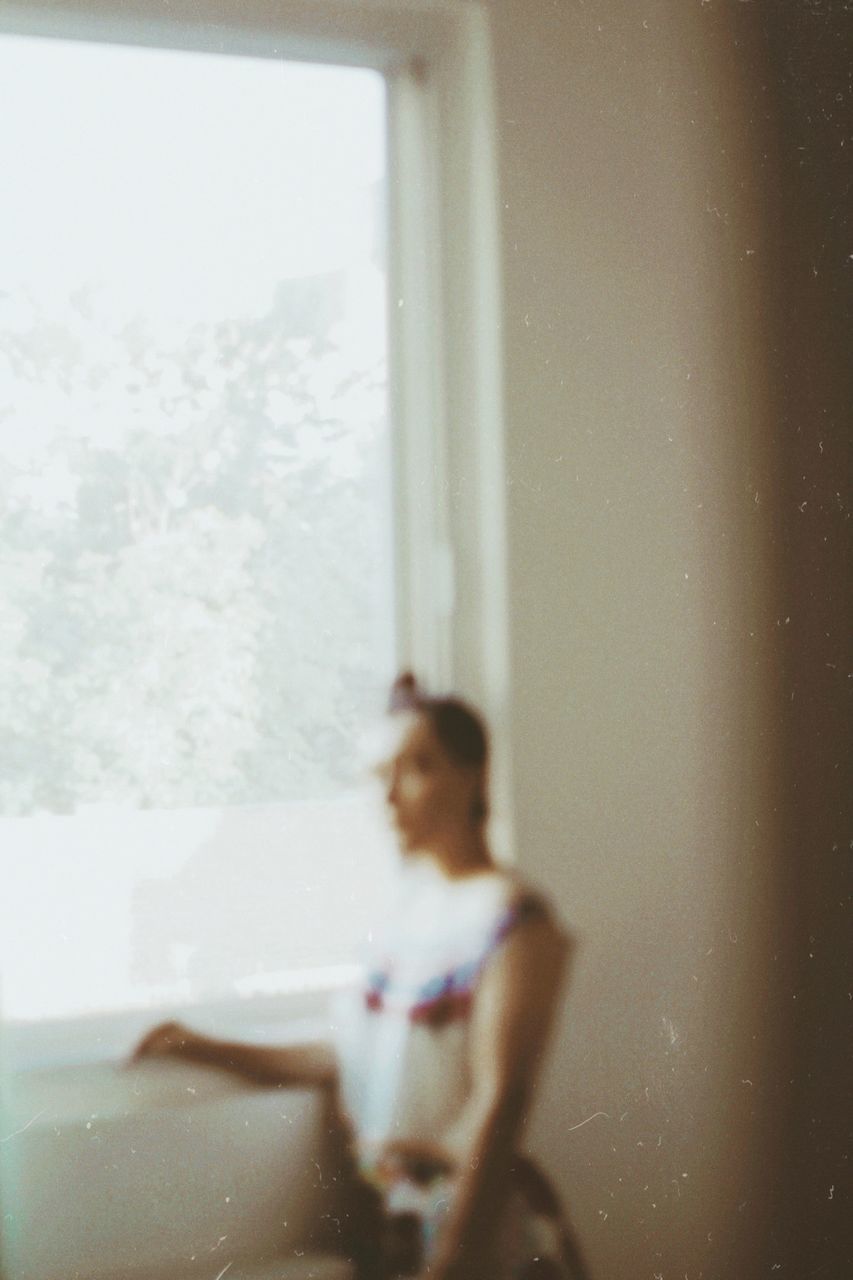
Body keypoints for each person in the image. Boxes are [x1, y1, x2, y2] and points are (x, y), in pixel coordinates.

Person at [131, 673, 585, 1279]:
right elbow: (349, 1054)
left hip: (479, 1233)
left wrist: (455, 1256)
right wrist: (202, 1046)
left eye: (416, 769)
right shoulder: (404, 914)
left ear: (472, 775)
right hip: (396, 1221)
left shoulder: (515, 920)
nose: (390, 795)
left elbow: (501, 1103)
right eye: (380, 776)